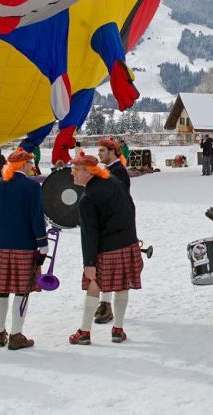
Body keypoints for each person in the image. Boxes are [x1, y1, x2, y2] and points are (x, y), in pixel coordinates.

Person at [69, 151, 142, 345]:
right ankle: (118, 329)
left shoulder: (88, 198)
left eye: (76, 170)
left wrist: (89, 263)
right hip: (128, 243)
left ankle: (84, 332)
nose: (72, 174)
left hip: (106, 248)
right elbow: (131, 209)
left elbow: (89, 233)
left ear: (89, 172)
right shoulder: (115, 183)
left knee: (94, 285)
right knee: (123, 285)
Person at [0, 148, 48, 350]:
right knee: (22, 291)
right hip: (25, 246)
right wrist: (43, 244)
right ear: (22, 165)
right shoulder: (32, 187)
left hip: (2, 246)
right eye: (29, 163)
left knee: (2, 291)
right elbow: (36, 218)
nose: (31, 166)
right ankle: (16, 335)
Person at [93, 137, 134, 325]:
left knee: (114, 271)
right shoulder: (108, 170)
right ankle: (105, 303)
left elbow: (119, 202)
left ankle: (109, 307)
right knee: (105, 269)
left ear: (112, 152)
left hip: (116, 229)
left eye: (102, 151)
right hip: (108, 227)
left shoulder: (119, 172)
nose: (99, 154)